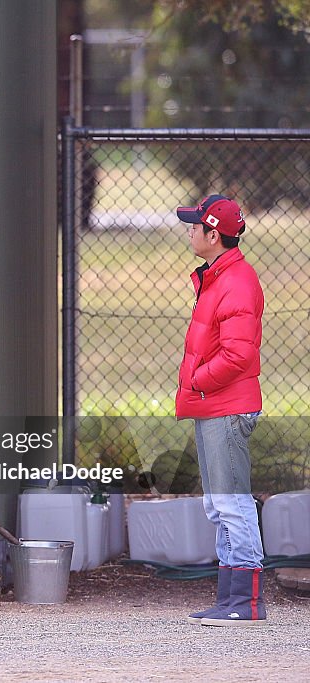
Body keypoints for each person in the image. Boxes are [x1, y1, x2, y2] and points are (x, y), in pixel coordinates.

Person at [174, 194, 266, 627]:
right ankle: (229, 598)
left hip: (226, 406)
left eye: (195, 226)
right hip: (214, 405)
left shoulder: (236, 282)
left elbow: (239, 356)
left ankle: (245, 602)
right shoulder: (217, 277)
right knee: (219, 504)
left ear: (215, 234)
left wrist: (197, 381)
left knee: (233, 504)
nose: (189, 231)